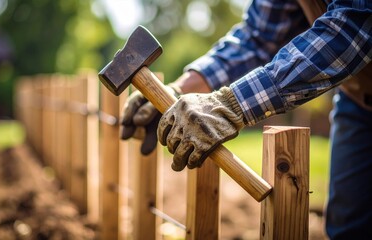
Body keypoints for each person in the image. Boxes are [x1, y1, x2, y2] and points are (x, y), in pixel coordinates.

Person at [120, 0, 372, 239]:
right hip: (360, 99)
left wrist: (231, 104)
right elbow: (258, 39)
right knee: (348, 228)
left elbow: (355, 22)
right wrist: (178, 91)